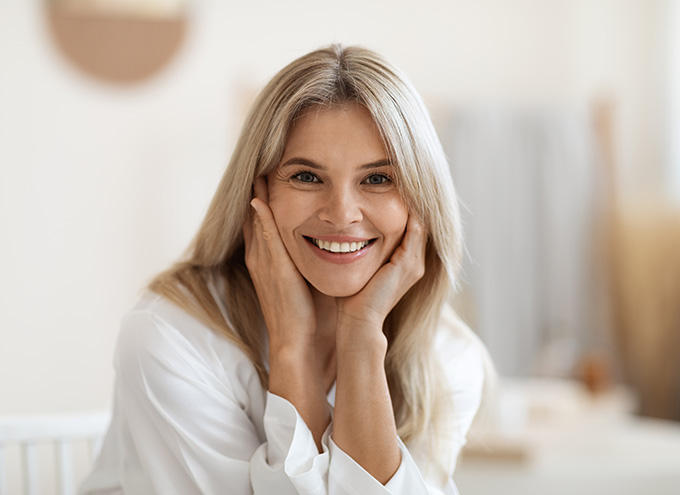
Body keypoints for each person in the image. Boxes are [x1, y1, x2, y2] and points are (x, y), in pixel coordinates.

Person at [80, 44, 491, 495]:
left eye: (377, 179)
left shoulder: (446, 359)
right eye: (307, 176)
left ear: (421, 201)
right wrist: (291, 344)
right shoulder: (171, 337)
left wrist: (361, 338)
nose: (341, 213)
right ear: (258, 192)